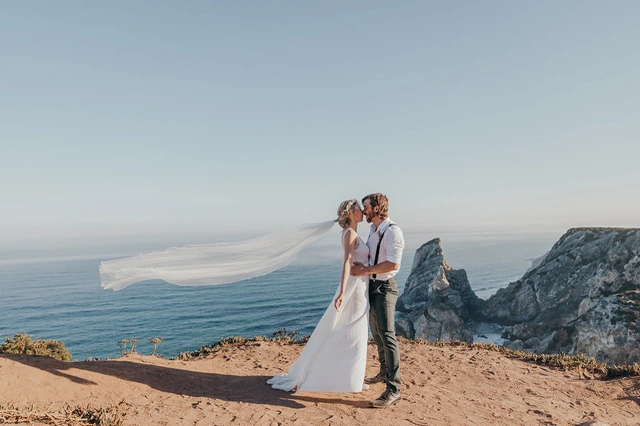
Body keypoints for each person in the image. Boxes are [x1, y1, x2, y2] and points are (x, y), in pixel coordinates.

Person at [267, 199, 370, 393]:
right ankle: (339, 378)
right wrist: (341, 292)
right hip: (354, 288)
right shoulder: (350, 234)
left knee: (352, 331)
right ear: (350, 213)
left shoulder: (352, 233)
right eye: (358, 209)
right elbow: (347, 263)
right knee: (351, 332)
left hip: (360, 286)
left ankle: (348, 378)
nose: (362, 212)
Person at [351, 192, 404, 408]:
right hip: (372, 287)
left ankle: (394, 389)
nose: (364, 211)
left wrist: (366, 270)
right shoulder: (373, 230)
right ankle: (383, 373)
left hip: (385, 288)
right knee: (377, 334)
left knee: (388, 336)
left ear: (376, 208)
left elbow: (393, 265)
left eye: (366, 207)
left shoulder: (393, 232)